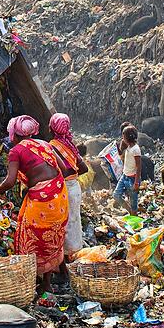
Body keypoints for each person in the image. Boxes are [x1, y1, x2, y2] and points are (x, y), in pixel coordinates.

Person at [0, 115, 69, 293]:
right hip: (59, 195)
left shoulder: (16, 151)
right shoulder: (45, 144)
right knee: (52, 236)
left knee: (32, 236)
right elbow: (65, 169)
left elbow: (9, 182)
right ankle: (47, 281)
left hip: (41, 200)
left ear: (15, 133)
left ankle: (36, 280)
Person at [48, 113, 89, 275]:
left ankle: (63, 267)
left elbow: (56, 169)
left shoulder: (52, 146)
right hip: (75, 188)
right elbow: (84, 168)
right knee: (73, 222)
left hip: (62, 189)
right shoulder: (70, 145)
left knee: (61, 225)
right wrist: (73, 176)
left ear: (51, 128)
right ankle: (70, 260)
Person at [113, 125, 141, 215]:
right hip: (124, 176)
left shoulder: (136, 149)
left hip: (132, 179)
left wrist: (136, 182)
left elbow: (139, 166)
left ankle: (134, 215)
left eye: (123, 136)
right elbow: (121, 152)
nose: (122, 138)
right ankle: (130, 212)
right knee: (116, 195)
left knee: (133, 203)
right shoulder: (128, 147)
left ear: (128, 137)